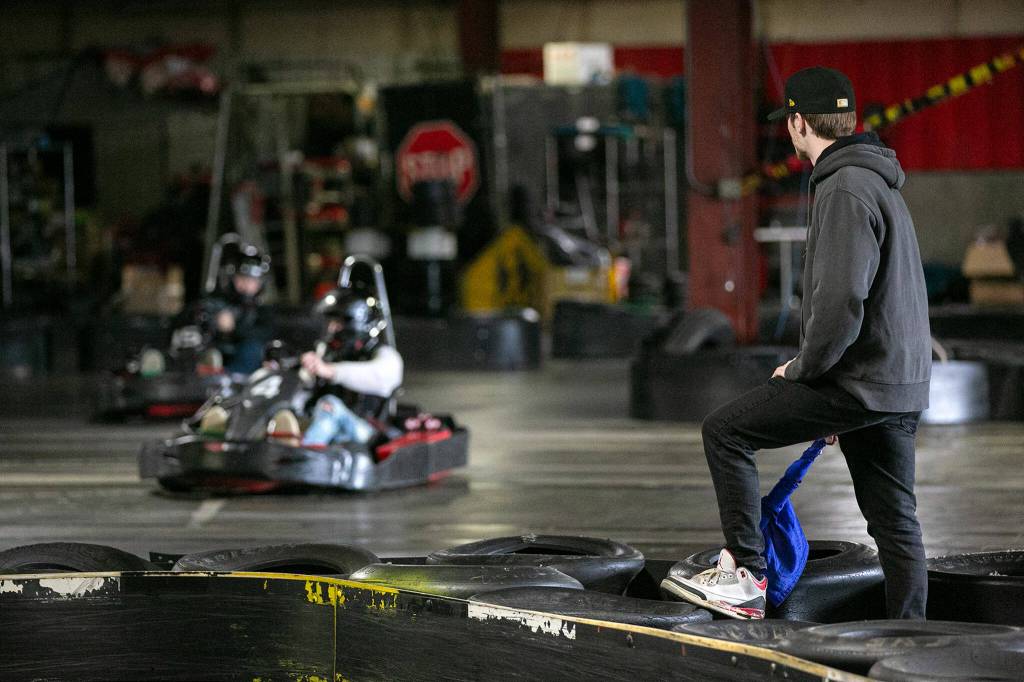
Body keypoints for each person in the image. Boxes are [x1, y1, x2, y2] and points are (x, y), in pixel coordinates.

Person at [661, 66, 931, 620]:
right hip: (896, 382)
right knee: (895, 524)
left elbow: (839, 304)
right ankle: (913, 640)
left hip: (857, 382)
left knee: (726, 432)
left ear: (799, 123)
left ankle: (748, 578)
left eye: (789, 122)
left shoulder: (844, 188)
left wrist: (807, 372)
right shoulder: (878, 181)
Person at [296, 287, 404, 447]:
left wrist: (330, 371)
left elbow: (377, 376)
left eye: (338, 323)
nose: (332, 329)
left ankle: (304, 453)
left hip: (367, 432)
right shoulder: (327, 353)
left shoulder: (387, 356)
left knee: (330, 405)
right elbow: (303, 394)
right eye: (330, 323)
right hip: (330, 428)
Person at [198, 243, 272, 374]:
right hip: (214, 353)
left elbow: (264, 333)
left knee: (252, 349)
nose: (245, 285)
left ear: (260, 283)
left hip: (241, 369)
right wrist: (213, 321)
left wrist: (233, 328)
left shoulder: (263, 311)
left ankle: (226, 378)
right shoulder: (217, 301)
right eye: (242, 278)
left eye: (251, 280)